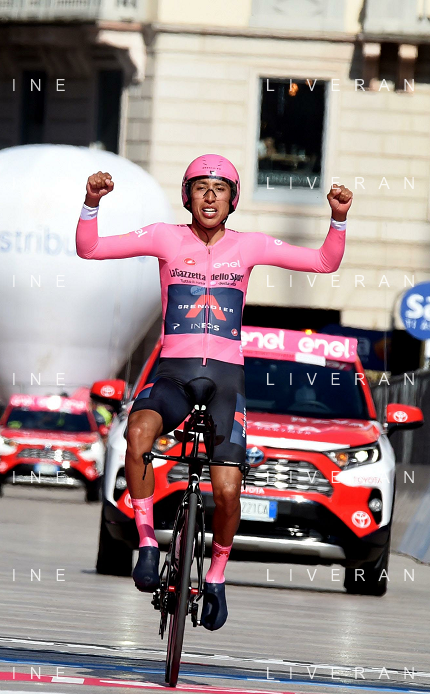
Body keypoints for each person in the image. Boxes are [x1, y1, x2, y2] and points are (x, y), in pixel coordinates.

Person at [76, 154, 352, 630]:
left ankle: (217, 576)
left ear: (232, 200)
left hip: (226, 381)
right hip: (173, 376)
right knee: (137, 435)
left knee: (225, 491)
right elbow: (90, 248)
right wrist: (91, 203)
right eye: (200, 187)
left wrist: (339, 218)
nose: (210, 196)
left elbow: (325, 262)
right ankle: (148, 542)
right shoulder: (164, 237)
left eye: (220, 189)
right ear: (187, 197)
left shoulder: (250, 245)